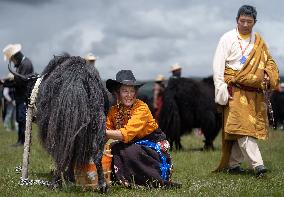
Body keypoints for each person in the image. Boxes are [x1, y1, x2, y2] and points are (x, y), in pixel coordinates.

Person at [213, 5, 279, 176]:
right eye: (242, 21)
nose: (245, 24)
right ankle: (258, 165)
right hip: (234, 89)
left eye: (249, 21)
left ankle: (234, 165)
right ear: (237, 20)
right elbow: (218, 66)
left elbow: (269, 61)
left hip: (254, 93)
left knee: (240, 128)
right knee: (243, 127)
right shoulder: (227, 38)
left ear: (254, 22)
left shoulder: (258, 41)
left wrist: (266, 74)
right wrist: (220, 88)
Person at [105, 70, 181, 188]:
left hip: (151, 149)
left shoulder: (141, 108)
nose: (129, 95)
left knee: (126, 149)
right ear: (117, 93)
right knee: (113, 149)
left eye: (132, 91)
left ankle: (154, 180)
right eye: (125, 91)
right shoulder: (113, 111)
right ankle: (124, 179)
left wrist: (102, 132)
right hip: (131, 146)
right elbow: (106, 131)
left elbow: (126, 134)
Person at [3, 43, 34, 146]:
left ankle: (23, 141)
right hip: (20, 97)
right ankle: (20, 140)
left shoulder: (26, 64)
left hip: (24, 97)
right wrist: (6, 82)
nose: (12, 62)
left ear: (16, 57)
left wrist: (6, 83)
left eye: (12, 59)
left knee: (22, 119)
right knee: (20, 119)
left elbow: (21, 82)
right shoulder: (22, 64)